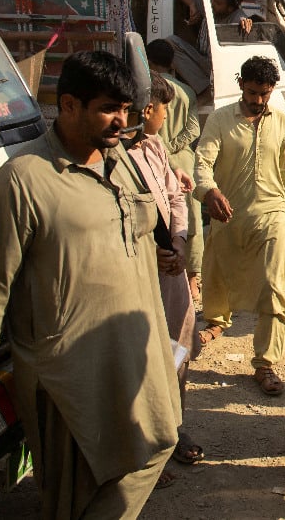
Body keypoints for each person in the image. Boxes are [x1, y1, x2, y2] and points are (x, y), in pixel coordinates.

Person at [0, 50, 181, 519]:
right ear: (67, 106)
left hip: (134, 353)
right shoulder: (24, 178)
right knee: (74, 491)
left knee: (158, 443)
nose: (119, 121)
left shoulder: (119, 159)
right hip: (70, 369)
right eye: (107, 108)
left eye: (124, 110)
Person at [194, 56, 285, 396]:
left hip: (274, 215)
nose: (257, 101)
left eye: (265, 94)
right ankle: (216, 323)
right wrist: (209, 191)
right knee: (220, 277)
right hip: (230, 216)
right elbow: (202, 163)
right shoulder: (220, 120)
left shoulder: (281, 122)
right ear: (241, 84)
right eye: (253, 92)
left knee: (273, 285)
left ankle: (266, 364)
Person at [126, 73, 204, 485]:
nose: (167, 116)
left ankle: (173, 428)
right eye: (163, 108)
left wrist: (177, 240)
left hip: (170, 270)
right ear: (146, 110)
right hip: (143, 274)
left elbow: (176, 196)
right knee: (144, 357)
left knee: (177, 349)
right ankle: (147, 448)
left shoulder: (155, 147)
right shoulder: (120, 157)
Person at [145, 39, 203, 303]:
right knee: (191, 221)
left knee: (161, 219)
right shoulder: (186, 91)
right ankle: (193, 279)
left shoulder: (148, 92)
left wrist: (164, 148)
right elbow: (194, 130)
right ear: (172, 62)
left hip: (156, 160)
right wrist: (175, 147)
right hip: (184, 160)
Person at [170, 0, 253, 94]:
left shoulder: (237, 17)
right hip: (200, 57)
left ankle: (205, 91)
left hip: (215, 66)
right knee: (170, 42)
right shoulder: (210, 6)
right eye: (213, 0)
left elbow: (243, 21)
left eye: (218, 3)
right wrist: (192, 4)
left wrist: (245, 21)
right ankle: (204, 88)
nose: (213, 5)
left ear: (230, 8)